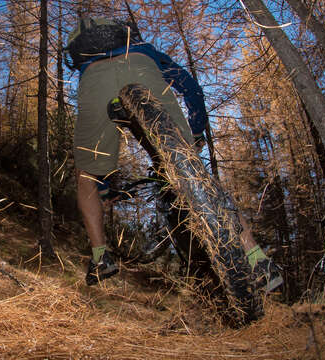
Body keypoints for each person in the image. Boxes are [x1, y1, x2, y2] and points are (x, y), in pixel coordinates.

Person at [66, 17, 283, 291]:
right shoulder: (143, 48)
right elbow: (189, 86)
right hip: (142, 69)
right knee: (194, 170)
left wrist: (105, 186)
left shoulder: (87, 59)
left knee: (86, 172)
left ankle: (100, 257)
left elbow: (97, 162)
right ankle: (256, 257)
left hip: (95, 78)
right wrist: (194, 129)